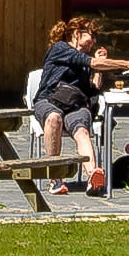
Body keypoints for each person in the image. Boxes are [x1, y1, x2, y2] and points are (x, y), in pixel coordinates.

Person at [24, 13, 108, 177]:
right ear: (77, 33)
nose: (95, 41)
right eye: (92, 35)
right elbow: (90, 61)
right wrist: (126, 64)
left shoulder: (85, 62)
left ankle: (93, 175)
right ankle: (55, 178)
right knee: (54, 118)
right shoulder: (60, 48)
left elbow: (93, 89)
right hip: (49, 101)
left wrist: (98, 69)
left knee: (82, 131)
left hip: (75, 106)